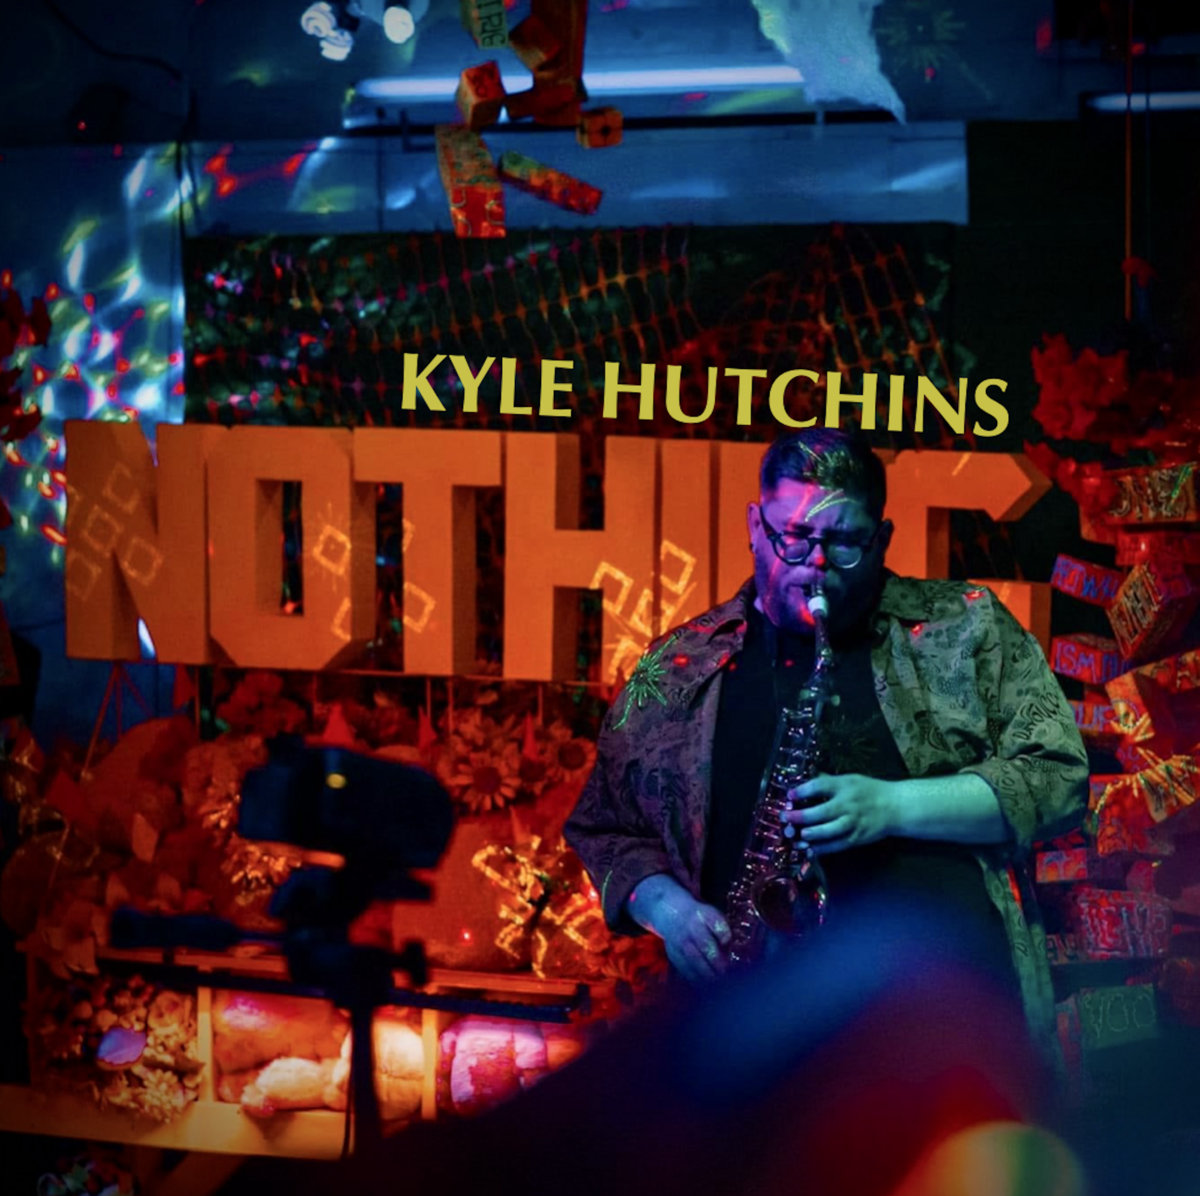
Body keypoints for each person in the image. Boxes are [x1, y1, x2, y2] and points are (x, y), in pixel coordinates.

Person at [564, 427, 1089, 1061]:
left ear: (882, 539)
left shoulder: (967, 626)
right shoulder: (679, 665)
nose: (816, 563)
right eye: (794, 536)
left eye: (844, 542)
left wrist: (890, 806)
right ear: (754, 525)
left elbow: (1059, 777)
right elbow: (603, 827)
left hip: (947, 1028)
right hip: (756, 1041)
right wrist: (665, 908)